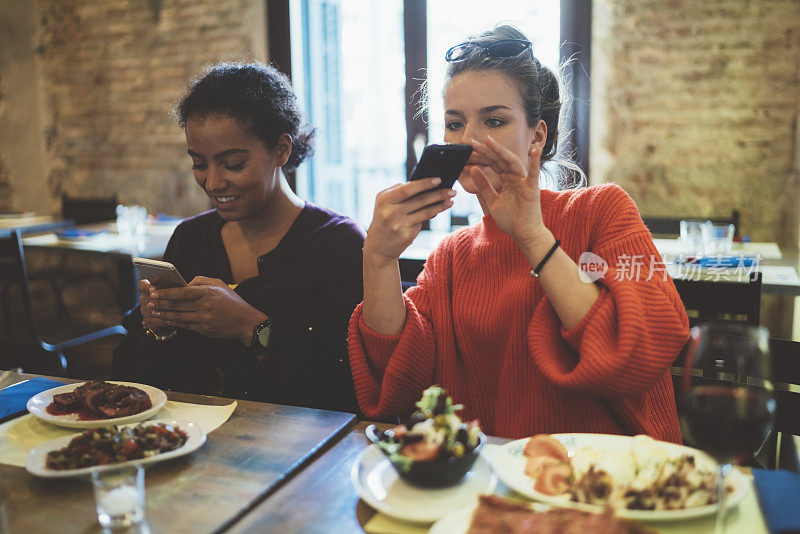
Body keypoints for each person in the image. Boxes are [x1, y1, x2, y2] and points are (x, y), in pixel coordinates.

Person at [348, 26, 689, 440]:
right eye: (455, 124)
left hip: (606, 483)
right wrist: (379, 259)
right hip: (491, 484)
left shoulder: (602, 211)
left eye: (494, 120)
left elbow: (640, 354)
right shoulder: (452, 256)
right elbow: (400, 383)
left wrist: (531, 234)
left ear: (537, 135)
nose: (470, 140)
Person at [113, 62, 365, 412]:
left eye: (232, 164)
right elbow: (142, 379)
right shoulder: (190, 238)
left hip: (293, 447)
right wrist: (156, 326)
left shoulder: (338, 244)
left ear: (281, 150)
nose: (213, 183)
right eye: (199, 164)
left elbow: (347, 381)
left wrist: (252, 327)